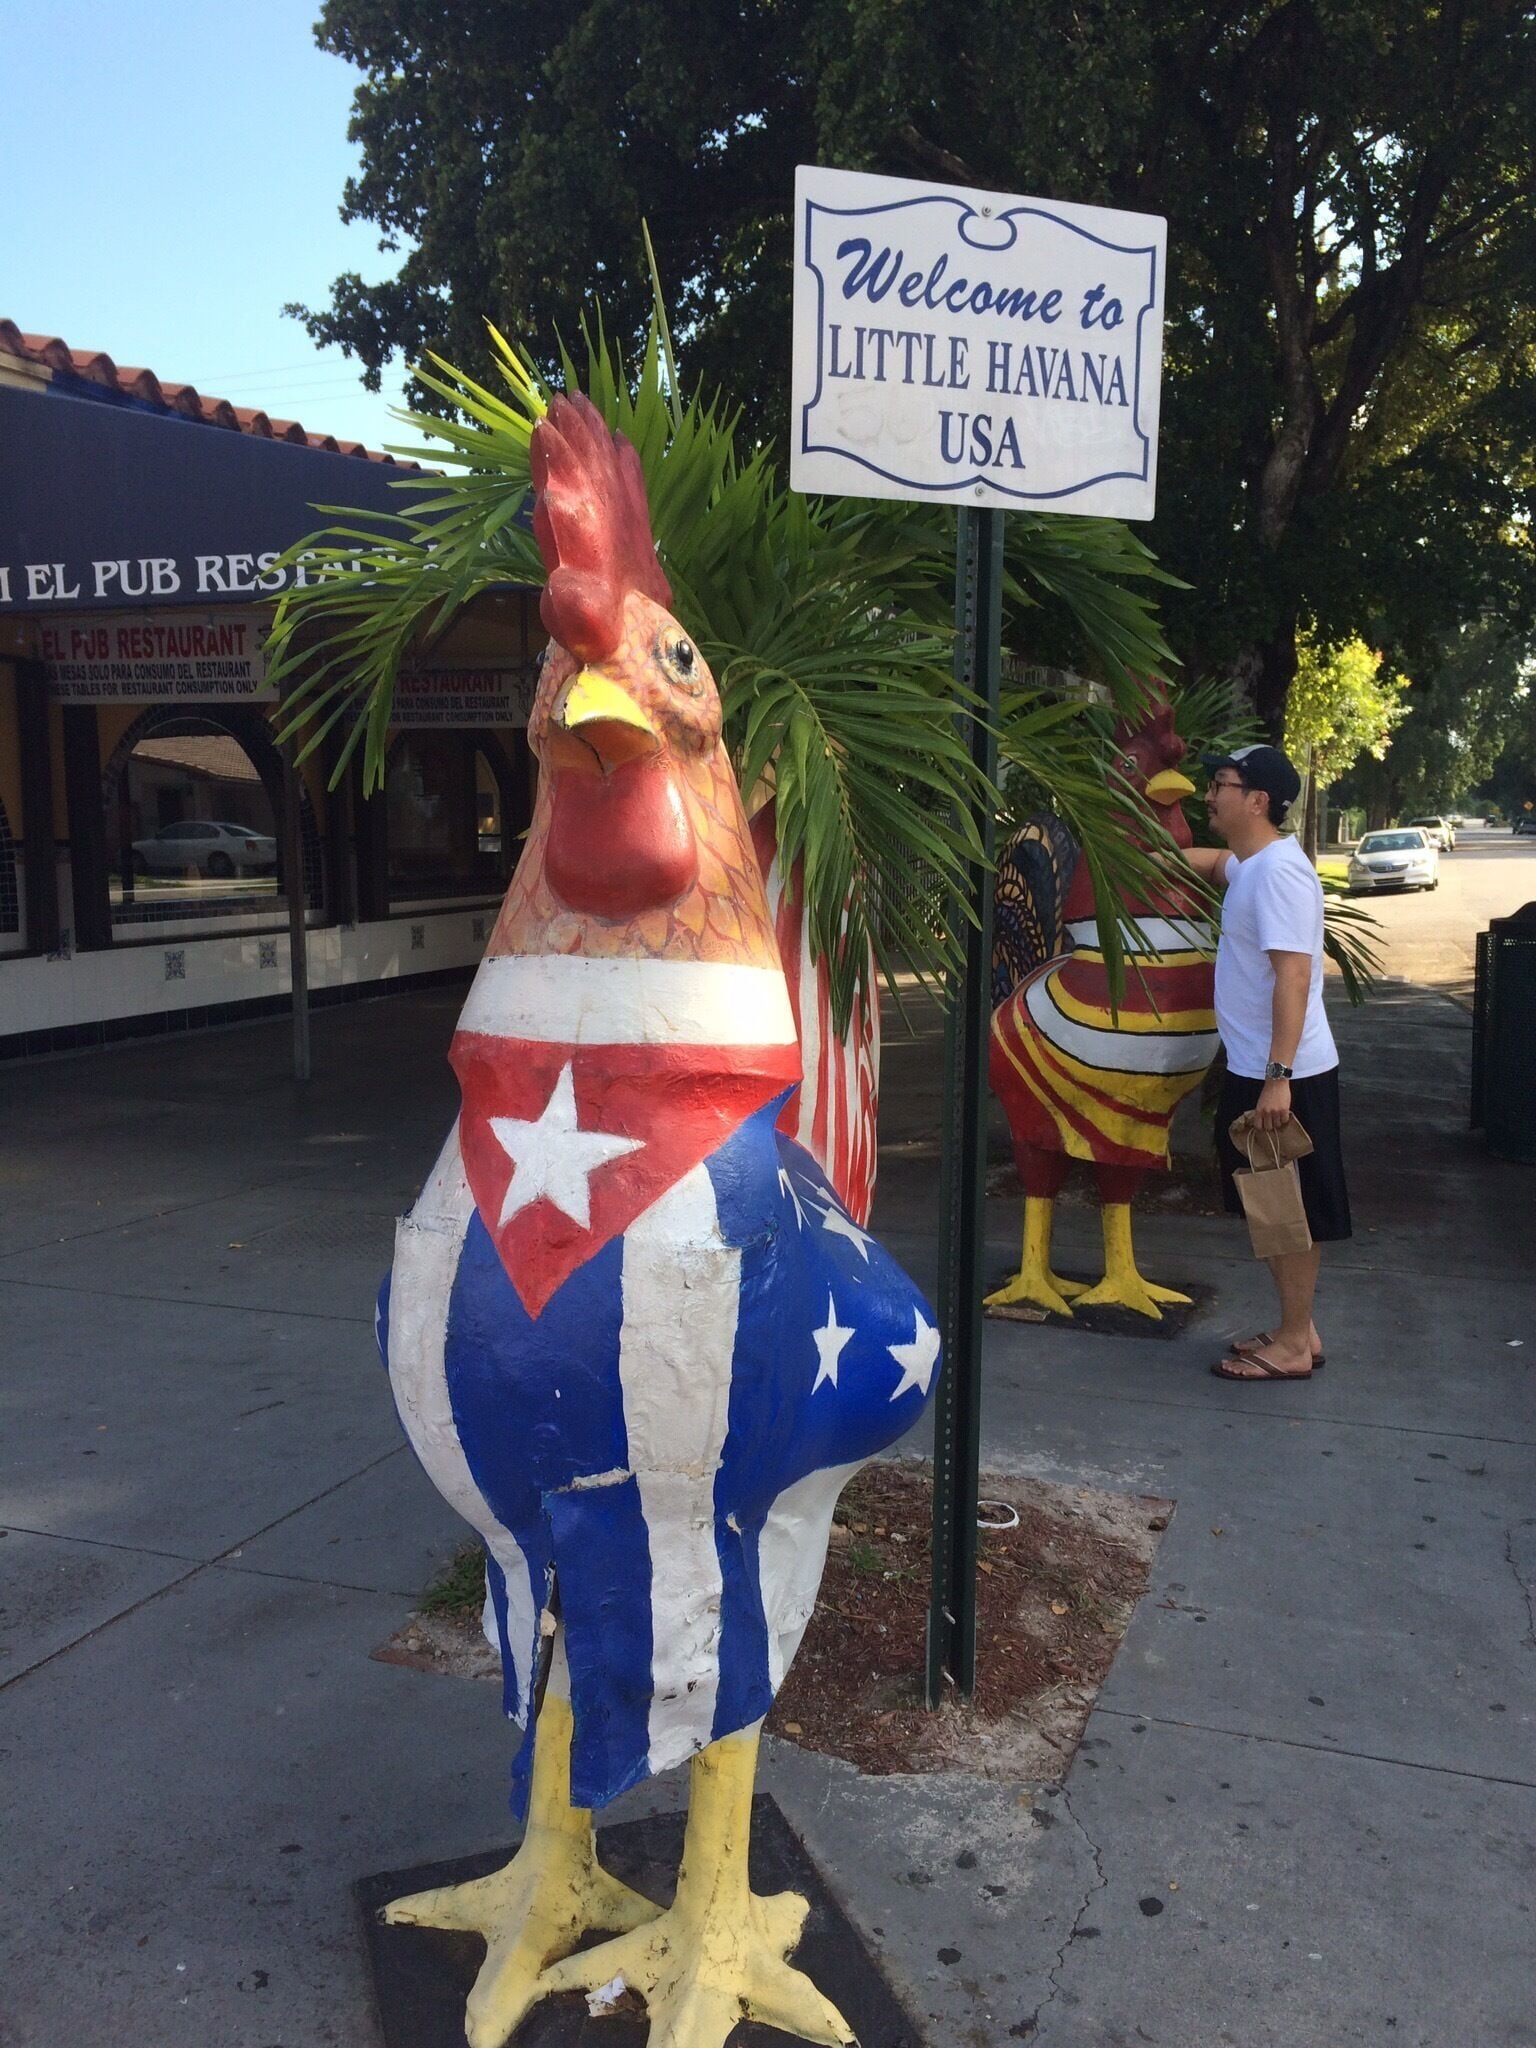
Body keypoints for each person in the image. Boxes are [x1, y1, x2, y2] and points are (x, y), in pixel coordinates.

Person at [1183, 744, 1351, 1381]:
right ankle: (1298, 1329)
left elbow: (1294, 979)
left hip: (1282, 1073)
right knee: (1269, 1202)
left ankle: (1289, 1346)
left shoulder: (1278, 874)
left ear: (1256, 800)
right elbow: (1217, 862)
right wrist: (1149, 859)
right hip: (1261, 1065)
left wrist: (1277, 1079)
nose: (1208, 794)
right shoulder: (1256, 864)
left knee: (1286, 1206)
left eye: (1219, 784)